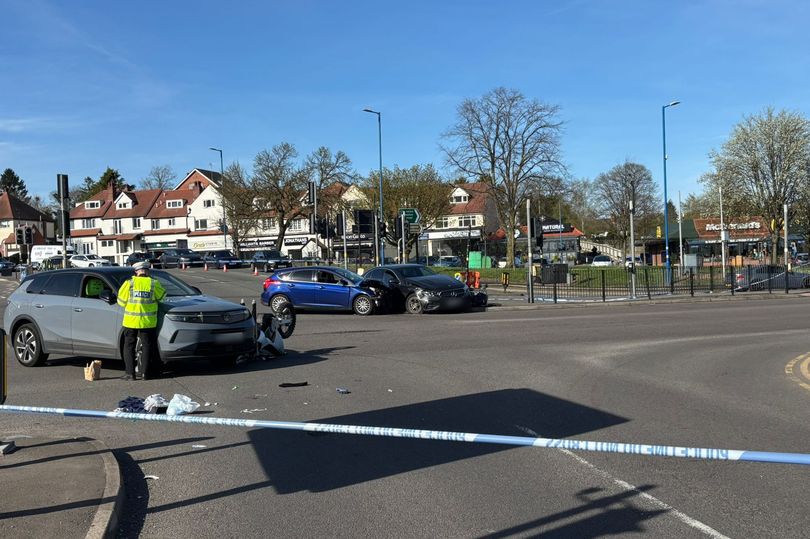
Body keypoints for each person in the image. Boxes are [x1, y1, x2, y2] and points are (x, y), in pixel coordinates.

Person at [117, 261, 166, 380]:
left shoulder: (129, 283)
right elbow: (162, 298)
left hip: (131, 321)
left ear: (136, 272)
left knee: (129, 346)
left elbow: (121, 302)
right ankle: (145, 373)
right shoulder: (154, 283)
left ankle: (130, 374)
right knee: (146, 346)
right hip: (147, 321)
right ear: (147, 271)